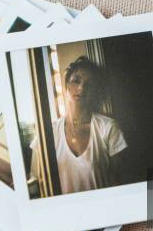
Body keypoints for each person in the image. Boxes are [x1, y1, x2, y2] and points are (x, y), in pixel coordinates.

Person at [30, 56, 127, 195]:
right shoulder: (47, 132)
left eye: (89, 84)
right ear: (66, 86)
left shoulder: (108, 128)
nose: (81, 87)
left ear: (95, 90)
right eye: (76, 80)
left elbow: (121, 183)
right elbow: (34, 184)